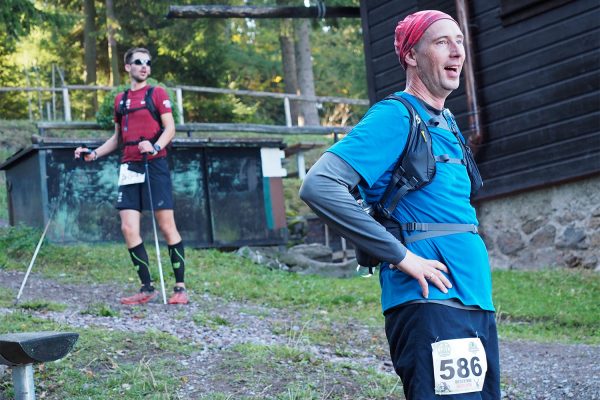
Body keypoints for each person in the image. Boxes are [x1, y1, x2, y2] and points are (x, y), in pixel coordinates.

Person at [299, 10, 500, 399]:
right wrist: (401, 256)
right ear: (411, 54)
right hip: (430, 300)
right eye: (442, 42)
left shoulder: (446, 120)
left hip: (472, 294)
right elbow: (320, 185)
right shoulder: (396, 116)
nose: (456, 51)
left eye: (459, 41)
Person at [75, 47, 188, 305]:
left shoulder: (157, 93)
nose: (144, 66)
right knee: (127, 228)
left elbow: (170, 128)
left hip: (154, 164)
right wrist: (93, 154)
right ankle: (146, 287)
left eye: (148, 63)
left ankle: (180, 288)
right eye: (138, 62)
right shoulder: (120, 100)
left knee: (166, 226)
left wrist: (156, 145)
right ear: (128, 67)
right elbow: (117, 138)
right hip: (129, 166)